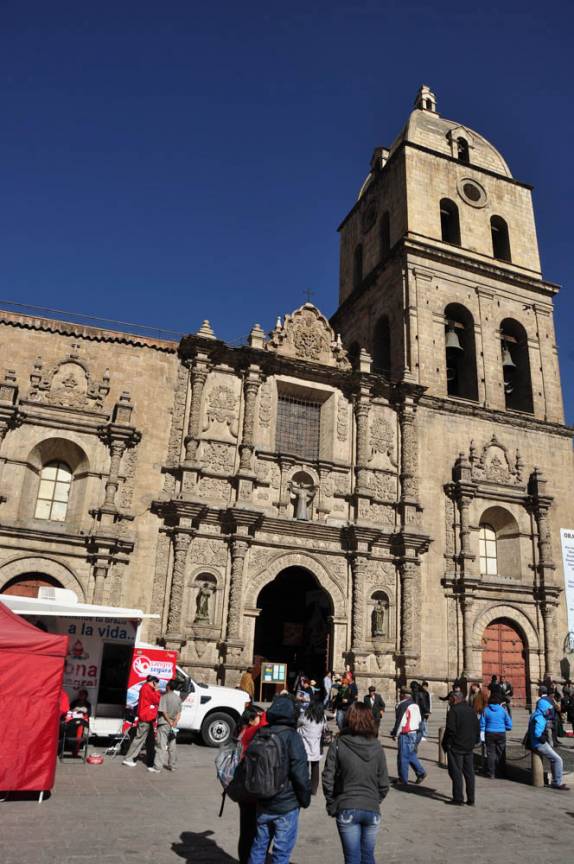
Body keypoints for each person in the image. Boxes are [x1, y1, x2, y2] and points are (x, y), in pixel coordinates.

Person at [323, 703, 389, 864]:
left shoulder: (338, 743)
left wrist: (333, 803)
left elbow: (328, 778)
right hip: (372, 808)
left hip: (346, 807)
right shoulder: (377, 746)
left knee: (352, 858)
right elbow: (384, 784)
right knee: (368, 857)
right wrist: (374, 799)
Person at [248, 694, 311, 864]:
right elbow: (300, 772)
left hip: (263, 800)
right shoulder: (292, 737)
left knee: (258, 847)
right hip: (286, 804)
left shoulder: (261, 732)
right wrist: (305, 799)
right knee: (281, 853)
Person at [237, 706, 267, 864]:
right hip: (253, 791)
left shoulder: (243, 732)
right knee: (255, 833)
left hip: (244, 789)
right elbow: (265, 723)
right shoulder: (253, 732)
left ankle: (244, 859)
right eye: (259, 716)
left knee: (245, 831)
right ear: (252, 719)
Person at [442, 691, 480, 805]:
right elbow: (477, 727)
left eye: (450, 699)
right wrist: (475, 741)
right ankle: (471, 799)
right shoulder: (471, 710)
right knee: (469, 773)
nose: (449, 701)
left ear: (454, 698)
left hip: (456, 746)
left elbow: (450, 730)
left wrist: (447, 743)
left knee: (456, 772)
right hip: (468, 746)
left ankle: (458, 798)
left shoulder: (453, 711)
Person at [529, 684, 569, 790]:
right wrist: (542, 738)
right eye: (549, 710)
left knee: (553, 759)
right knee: (558, 759)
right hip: (538, 743)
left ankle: (555, 780)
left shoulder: (537, 715)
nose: (550, 711)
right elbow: (538, 732)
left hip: (536, 742)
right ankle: (557, 782)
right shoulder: (540, 718)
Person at [390, 687, 426, 787]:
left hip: (405, 734)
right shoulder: (415, 705)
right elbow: (420, 720)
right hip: (414, 733)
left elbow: (401, 721)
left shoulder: (402, 705)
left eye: (400, 693)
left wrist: (394, 733)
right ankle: (421, 772)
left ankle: (403, 779)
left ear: (403, 695)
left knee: (403, 757)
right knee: (410, 754)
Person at [123, 676, 161, 768]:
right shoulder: (148, 689)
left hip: (148, 717)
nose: (157, 685)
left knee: (150, 740)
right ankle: (128, 758)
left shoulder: (145, 688)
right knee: (139, 739)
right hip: (146, 717)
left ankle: (150, 759)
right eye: (156, 683)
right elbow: (156, 700)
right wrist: (157, 690)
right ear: (153, 682)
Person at [150, 679, 181, 773]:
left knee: (161, 745)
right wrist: (174, 722)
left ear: (168, 686)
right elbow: (179, 713)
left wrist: (169, 721)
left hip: (164, 724)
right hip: (173, 725)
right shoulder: (178, 698)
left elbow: (163, 711)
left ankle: (157, 767)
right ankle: (172, 766)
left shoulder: (164, 697)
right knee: (172, 746)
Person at [480, 693, 512, 778]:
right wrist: (506, 727)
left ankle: (491, 773)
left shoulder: (486, 710)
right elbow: (509, 723)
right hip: (501, 733)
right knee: (501, 753)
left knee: (490, 753)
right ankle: (501, 772)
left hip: (489, 733)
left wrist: (482, 732)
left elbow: (482, 723)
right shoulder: (502, 710)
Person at [297, 700, 325, 795]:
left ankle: (303, 786)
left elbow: (298, 723)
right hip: (316, 746)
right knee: (315, 767)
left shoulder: (305, 715)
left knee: (304, 767)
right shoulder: (322, 717)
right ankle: (314, 789)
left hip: (304, 744)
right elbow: (324, 728)